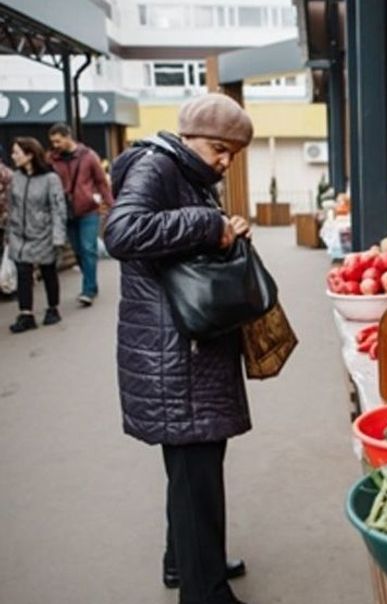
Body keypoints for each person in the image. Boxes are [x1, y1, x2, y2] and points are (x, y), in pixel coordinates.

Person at [104, 93, 254, 604]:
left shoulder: (185, 172)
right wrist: (209, 226)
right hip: (175, 351)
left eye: (233, 153)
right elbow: (121, 232)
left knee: (193, 472)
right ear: (189, 136)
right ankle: (204, 590)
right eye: (219, 148)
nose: (225, 161)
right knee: (196, 472)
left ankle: (186, 561)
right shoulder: (157, 165)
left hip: (181, 345)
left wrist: (222, 231)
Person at [4, 137, 67, 333]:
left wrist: (58, 237)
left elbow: (58, 209)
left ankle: (52, 308)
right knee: (23, 273)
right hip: (19, 234)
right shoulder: (16, 178)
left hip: (43, 233)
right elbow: (11, 205)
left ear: (30, 154)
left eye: (17, 152)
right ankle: (26, 314)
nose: (13, 156)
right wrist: (9, 231)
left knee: (48, 271)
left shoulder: (50, 179)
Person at [48, 122, 113, 307]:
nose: (55, 145)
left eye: (58, 141)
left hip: (88, 210)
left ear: (68, 137)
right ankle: (91, 282)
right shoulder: (52, 159)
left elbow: (101, 182)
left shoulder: (88, 156)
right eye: (52, 142)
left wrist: (112, 205)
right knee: (77, 250)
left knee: (88, 248)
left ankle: (89, 289)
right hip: (65, 212)